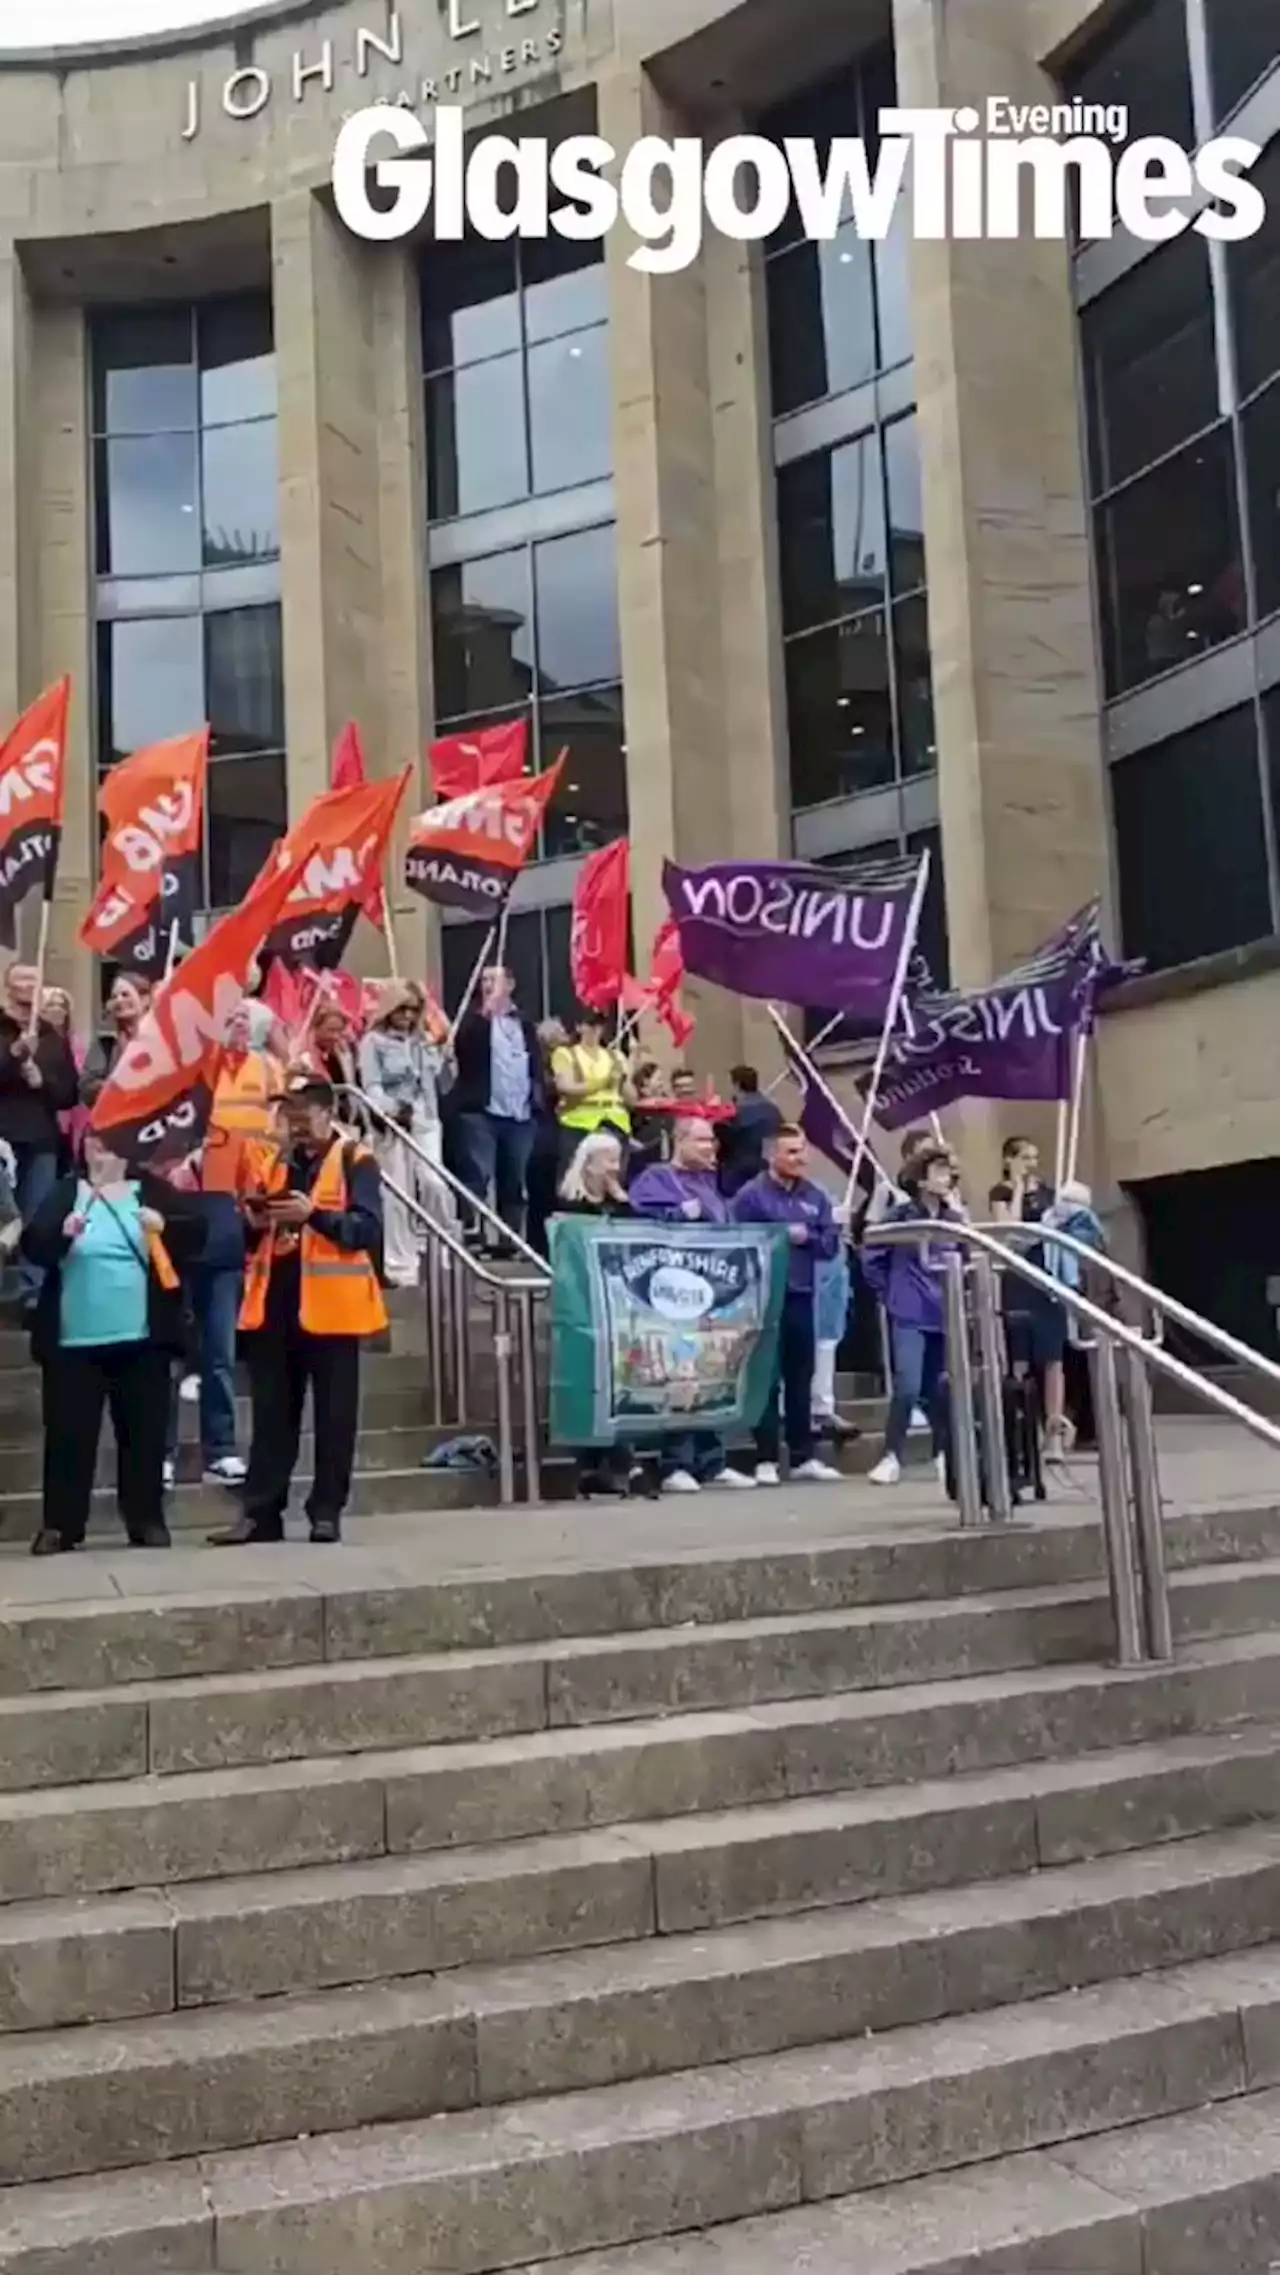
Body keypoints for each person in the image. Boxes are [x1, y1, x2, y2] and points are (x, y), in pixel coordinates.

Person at [210, 1074, 385, 1547]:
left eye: (303, 1114)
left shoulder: (356, 1160)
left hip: (333, 1311)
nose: (295, 1124)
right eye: (290, 1115)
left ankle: (326, 1510)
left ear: (327, 1114)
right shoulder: (276, 1163)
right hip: (276, 1306)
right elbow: (256, 1233)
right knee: (271, 1417)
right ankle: (261, 1512)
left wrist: (315, 1216)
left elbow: (365, 1228)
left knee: (335, 1417)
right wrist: (255, 1220)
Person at [22, 1127, 205, 1556]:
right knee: (68, 1436)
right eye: (90, 1143)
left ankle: (145, 1519)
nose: (96, 1152)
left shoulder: (152, 1192)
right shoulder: (67, 1192)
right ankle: (61, 1525)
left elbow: (196, 1235)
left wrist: (164, 1227)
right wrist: (63, 1233)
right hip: (73, 1341)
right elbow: (35, 1246)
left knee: (142, 1434)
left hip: (142, 1338)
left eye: (105, 1144)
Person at [167, 996, 285, 1490]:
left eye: (243, 1020)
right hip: (173, 1238)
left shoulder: (262, 1074)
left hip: (222, 1237)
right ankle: (162, 1454)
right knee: (172, 1355)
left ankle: (220, 1449)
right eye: (228, 1021)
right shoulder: (188, 1086)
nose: (236, 1028)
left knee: (219, 1352)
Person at [629, 1116, 757, 1495]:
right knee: (681, 1378)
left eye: (712, 1142)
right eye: (702, 1141)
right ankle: (677, 1463)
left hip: (712, 1297)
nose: (711, 1148)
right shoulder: (657, 1178)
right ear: (680, 1142)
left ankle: (712, 1460)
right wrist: (674, 1214)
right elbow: (635, 1221)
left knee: (711, 1373)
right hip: (671, 1296)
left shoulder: (710, 1185)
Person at [731, 1126, 842, 1486]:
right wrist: (779, 1235)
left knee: (800, 1376)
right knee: (767, 1377)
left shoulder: (816, 1195)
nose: (800, 1158)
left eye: (802, 1151)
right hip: (763, 1296)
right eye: (791, 1152)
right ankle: (764, 1457)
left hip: (801, 1293)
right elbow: (737, 1241)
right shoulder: (751, 1196)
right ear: (771, 1155)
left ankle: (802, 1455)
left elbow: (829, 1243)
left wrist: (805, 1235)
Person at [862, 1143, 965, 1485]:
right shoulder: (901, 1216)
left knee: (941, 1387)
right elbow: (872, 1252)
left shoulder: (954, 1220)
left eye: (948, 1171)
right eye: (938, 1171)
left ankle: (943, 1451)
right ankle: (892, 1454)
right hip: (908, 1310)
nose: (946, 1177)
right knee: (907, 1385)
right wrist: (888, 1291)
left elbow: (966, 1257)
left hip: (944, 1311)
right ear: (921, 1180)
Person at [555, 1129, 649, 1501]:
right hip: (582, 1304)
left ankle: (607, 1467)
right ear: (589, 1163)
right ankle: (620, 1464)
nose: (615, 1167)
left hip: (619, 1305)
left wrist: (623, 1201)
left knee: (618, 1383)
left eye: (618, 1160)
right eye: (608, 1160)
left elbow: (638, 1238)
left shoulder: (617, 1203)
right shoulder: (570, 1203)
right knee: (591, 1385)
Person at [357, 980, 451, 1288]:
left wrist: (444, 1056)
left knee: (433, 1183)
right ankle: (400, 1261)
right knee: (397, 1194)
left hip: (426, 1120)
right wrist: (392, 1108)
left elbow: (443, 1084)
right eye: (403, 1009)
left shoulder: (421, 1040)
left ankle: (440, 1248)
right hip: (394, 1123)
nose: (408, 1016)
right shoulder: (372, 1042)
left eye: (414, 1009)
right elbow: (370, 1086)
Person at [0, 963, 79, 1320]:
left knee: (36, 1215)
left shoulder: (52, 1038)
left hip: (41, 1138)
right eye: (20, 978)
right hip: (3, 1134)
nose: (26, 985)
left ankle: (32, 1292)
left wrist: (40, 1080)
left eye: (33, 979)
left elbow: (68, 1094)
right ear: (7, 985)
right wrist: (12, 1057)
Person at [450, 964, 544, 1245]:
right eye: (484, 980)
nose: (488, 985)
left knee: (514, 1181)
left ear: (510, 984)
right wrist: (484, 1015)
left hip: (519, 1114)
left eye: (494, 979)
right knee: (477, 1176)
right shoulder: (474, 1020)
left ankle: (510, 1240)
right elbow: (462, 1047)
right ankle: (473, 1234)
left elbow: (535, 1063)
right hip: (482, 1111)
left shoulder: (525, 1023)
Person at [990, 1134, 1071, 1458]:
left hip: (1046, 1277)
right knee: (1019, 1358)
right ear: (1009, 1160)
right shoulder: (1001, 1193)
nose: (1031, 1164)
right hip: (1018, 1280)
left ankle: (1054, 1431)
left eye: (1034, 1158)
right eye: (1024, 1157)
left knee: (1053, 1358)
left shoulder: (1051, 1195)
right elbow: (1008, 1230)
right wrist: (1019, 1187)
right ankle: (1024, 1431)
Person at [550, 1007, 633, 1169]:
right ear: (579, 1027)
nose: (595, 1030)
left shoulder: (616, 1056)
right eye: (590, 1024)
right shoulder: (566, 1054)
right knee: (575, 1175)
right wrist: (602, 1082)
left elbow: (631, 1098)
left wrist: (627, 1074)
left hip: (615, 1122)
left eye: (599, 1025)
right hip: (579, 1123)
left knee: (615, 1173)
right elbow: (565, 1086)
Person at [525, 1017, 569, 1260]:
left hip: (550, 1130)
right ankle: (538, 1244)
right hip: (542, 1131)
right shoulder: (542, 1066)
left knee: (546, 1192)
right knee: (541, 1191)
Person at [717, 1064, 783, 1197]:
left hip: (737, 1175)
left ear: (736, 1085)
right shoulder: (773, 1110)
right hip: (767, 1170)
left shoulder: (734, 1112)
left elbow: (723, 1140)